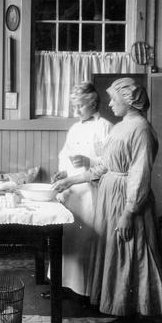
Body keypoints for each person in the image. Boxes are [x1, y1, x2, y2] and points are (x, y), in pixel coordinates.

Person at [53, 77, 162, 323]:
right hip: (110, 197)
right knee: (118, 256)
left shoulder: (141, 129)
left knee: (137, 256)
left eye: (114, 100)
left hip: (129, 200)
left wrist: (130, 211)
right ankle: (125, 313)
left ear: (129, 101)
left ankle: (146, 321)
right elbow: (102, 167)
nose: (110, 104)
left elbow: (140, 174)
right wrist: (70, 180)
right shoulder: (120, 127)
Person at [42, 82, 113, 301]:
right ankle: (61, 285)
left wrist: (87, 160)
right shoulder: (75, 128)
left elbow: (110, 162)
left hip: (92, 192)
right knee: (66, 240)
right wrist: (62, 172)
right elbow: (65, 155)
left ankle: (88, 291)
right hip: (71, 191)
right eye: (74, 107)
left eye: (80, 106)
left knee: (86, 240)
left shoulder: (105, 127)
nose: (76, 111)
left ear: (93, 103)